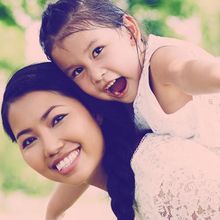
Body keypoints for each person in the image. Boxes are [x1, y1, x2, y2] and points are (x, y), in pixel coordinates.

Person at [2, 62, 220, 220]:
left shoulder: (165, 174)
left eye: (57, 119)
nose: (50, 147)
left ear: (94, 110)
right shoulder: (125, 170)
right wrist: (53, 214)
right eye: (29, 141)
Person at [39, 0, 220, 151]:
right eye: (78, 71)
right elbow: (93, 156)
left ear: (130, 30)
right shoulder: (114, 105)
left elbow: (185, 71)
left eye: (97, 51)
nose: (95, 75)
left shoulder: (159, 63)